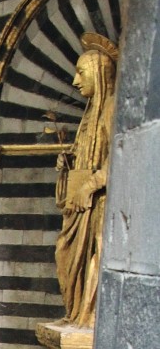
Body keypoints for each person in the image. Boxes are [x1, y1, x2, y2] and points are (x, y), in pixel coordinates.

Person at [55, 33, 117, 328]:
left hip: (98, 204)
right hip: (78, 205)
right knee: (64, 254)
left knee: (96, 257)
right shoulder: (90, 114)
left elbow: (119, 158)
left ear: (100, 72)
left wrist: (91, 186)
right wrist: (65, 167)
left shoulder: (111, 108)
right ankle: (76, 313)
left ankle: (87, 318)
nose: (75, 81)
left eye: (81, 72)